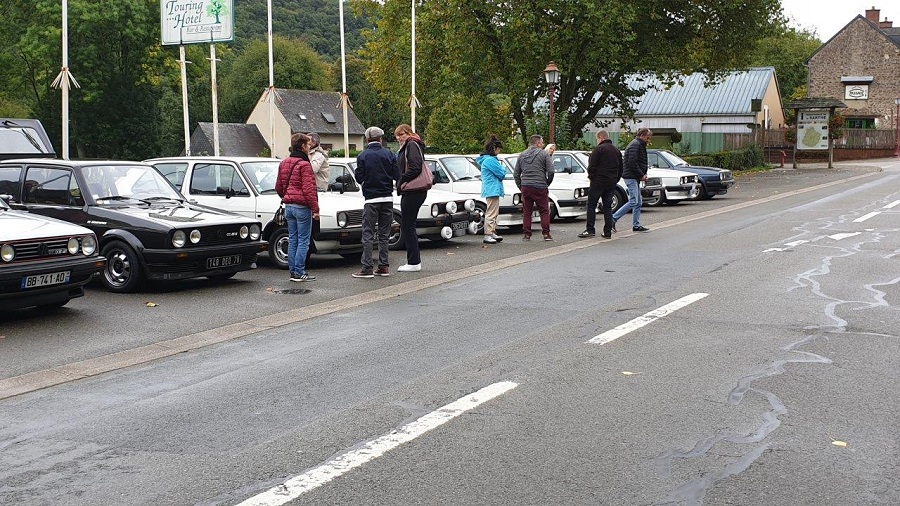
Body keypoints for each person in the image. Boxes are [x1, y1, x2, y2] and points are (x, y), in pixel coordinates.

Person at [352, 127, 399, 278]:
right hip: (387, 198)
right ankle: (383, 266)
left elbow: (359, 178)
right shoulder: (389, 154)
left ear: (367, 140)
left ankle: (367, 267)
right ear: (381, 139)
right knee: (384, 234)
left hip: (371, 199)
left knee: (368, 233)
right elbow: (396, 174)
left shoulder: (363, 156)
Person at [276, 132, 319, 281]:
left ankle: (293, 271)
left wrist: (286, 197)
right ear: (302, 146)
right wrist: (316, 209)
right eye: (308, 145)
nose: (309, 147)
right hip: (302, 207)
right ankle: (300, 272)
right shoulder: (304, 164)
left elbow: (279, 187)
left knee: (293, 239)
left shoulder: (284, 162)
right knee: (303, 240)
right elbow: (309, 190)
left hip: (289, 206)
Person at [394, 123, 428, 272]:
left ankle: (413, 261)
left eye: (402, 134)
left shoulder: (412, 145)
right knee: (409, 225)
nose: (399, 138)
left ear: (409, 133)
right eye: (397, 135)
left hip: (413, 190)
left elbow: (415, 167)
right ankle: (414, 261)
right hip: (415, 190)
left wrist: (402, 179)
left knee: (407, 225)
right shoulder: (413, 144)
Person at [580, 130, 623, 239]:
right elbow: (621, 168)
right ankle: (607, 231)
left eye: (597, 139)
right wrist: (615, 179)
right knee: (607, 206)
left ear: (600, 138)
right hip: (611, 182)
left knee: (591, 204)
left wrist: (592, 178)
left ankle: (590, 229)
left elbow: (592, 167)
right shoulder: (616, 151)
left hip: (598, 181)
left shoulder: (598, 150)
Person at [513, 134, 554, 241]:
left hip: (526, 186)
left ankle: (527, 234)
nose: (543, 144)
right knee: (544, 211)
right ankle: (546, 234)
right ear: (537, 143)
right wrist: (547, 183)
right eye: (542, 142)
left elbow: (516, 174)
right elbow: (551, 171)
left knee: (527, 212)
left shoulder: (522, 155)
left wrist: (521, 186)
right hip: (540, 186)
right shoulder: (544, 154)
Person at [612, 127, 652, 233]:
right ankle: (613, 219)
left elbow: (637, 162)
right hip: (631, 177)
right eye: (648, 138)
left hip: (634, 177)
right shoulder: (636, 145)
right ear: (642, 135)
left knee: (638, 202)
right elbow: (632, 162)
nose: (649, 140)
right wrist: (641, 175)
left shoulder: (638, 145)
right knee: (634, 201)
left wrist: (642, 174)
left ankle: (636, 225)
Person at [475, 135, 506, 244]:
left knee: (494, 212)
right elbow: (502, 173)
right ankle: (488, 234)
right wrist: (503, 167)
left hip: (491, 188)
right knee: (492, 212)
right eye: (498, 148)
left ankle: (491, 231)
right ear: (494, 148)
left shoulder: (487, 160)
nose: (499, 150)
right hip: (492, 188)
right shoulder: (490, 161)